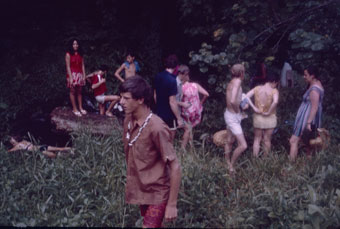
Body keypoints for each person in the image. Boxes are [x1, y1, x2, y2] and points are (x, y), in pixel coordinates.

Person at [119, 76, 181, 228]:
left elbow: (175, 166)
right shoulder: (128, 119)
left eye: (126, 98)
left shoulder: (156, 128)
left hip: (158, 192)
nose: (121, 102)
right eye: (121, 97)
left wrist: (172, 204)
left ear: (140, 100)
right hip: (141, 189)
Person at [289, 66, 324, 161]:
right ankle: (308, 166)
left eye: (306, 75)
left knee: (293, 140)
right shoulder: (317, 83)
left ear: (312, 76)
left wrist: (308, 122)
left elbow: (314, 107)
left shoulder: (314, 90)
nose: (304, 77)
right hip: (313, 117)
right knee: (309, 143)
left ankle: (290, 166)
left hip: (306, 117)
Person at [245, 74, 280, 157]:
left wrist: (254, 107)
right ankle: (265, 160)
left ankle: (255, 160)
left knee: (257, 139)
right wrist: (269, 112)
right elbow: (275, 101)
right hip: (270, 117)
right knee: (267, 140)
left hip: (258, 116)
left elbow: (245, 96)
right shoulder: (274, 91)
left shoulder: (257, 88)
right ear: (274, 82)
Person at [224, 64, 248, 173]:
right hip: (233, 116)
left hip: (229, 114)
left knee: (229, 140)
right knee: (243, 145)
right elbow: (233, 100)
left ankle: (227, 162)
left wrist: (241, 105)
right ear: (242, 73)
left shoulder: (232, 82)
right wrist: (238, 111)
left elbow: (233, 98)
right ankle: (231, 166)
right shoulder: (238, 82)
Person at [179, 65, 209, 150]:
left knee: (187, 129)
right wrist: (200, 103)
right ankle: (191, 148)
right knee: (190, 129)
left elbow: (180, 100)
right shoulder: (195, 85)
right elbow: (206, 94)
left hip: (187, 112)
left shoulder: (181, 87)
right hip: (196, 111)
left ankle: (183, 149)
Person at [154, 54, 184, 140]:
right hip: (170, 115)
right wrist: (179, 118)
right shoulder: (172, 80)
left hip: (159, 113)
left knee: (160, 139)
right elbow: (172, 102)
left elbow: (155, 95)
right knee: (169, 141)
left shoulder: (158, 76)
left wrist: (159, 107)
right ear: (176, 67)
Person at [65, 39, 87, 117]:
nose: (75, 46)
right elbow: (67, 67)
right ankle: (75, 109)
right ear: (71, 45)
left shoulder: (81, 54)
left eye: (77, 44)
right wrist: (70, 78)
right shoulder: (68, 54)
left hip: (79, 73)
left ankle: (80, 107)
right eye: (74, 44)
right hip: (72, 74)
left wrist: (84, 76)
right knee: (72, 91)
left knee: (79, 91)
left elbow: (82, 65)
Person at [8, 136, 73, 158]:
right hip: (41, 146)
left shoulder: (18, 145)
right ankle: (74, 150)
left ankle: (70, 156)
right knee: (60, 148)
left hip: (39, 151)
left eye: (12, 142)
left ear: (15, 141)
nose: (12, 143)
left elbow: (9, 151)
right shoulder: (24, 141)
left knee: (55, 156)